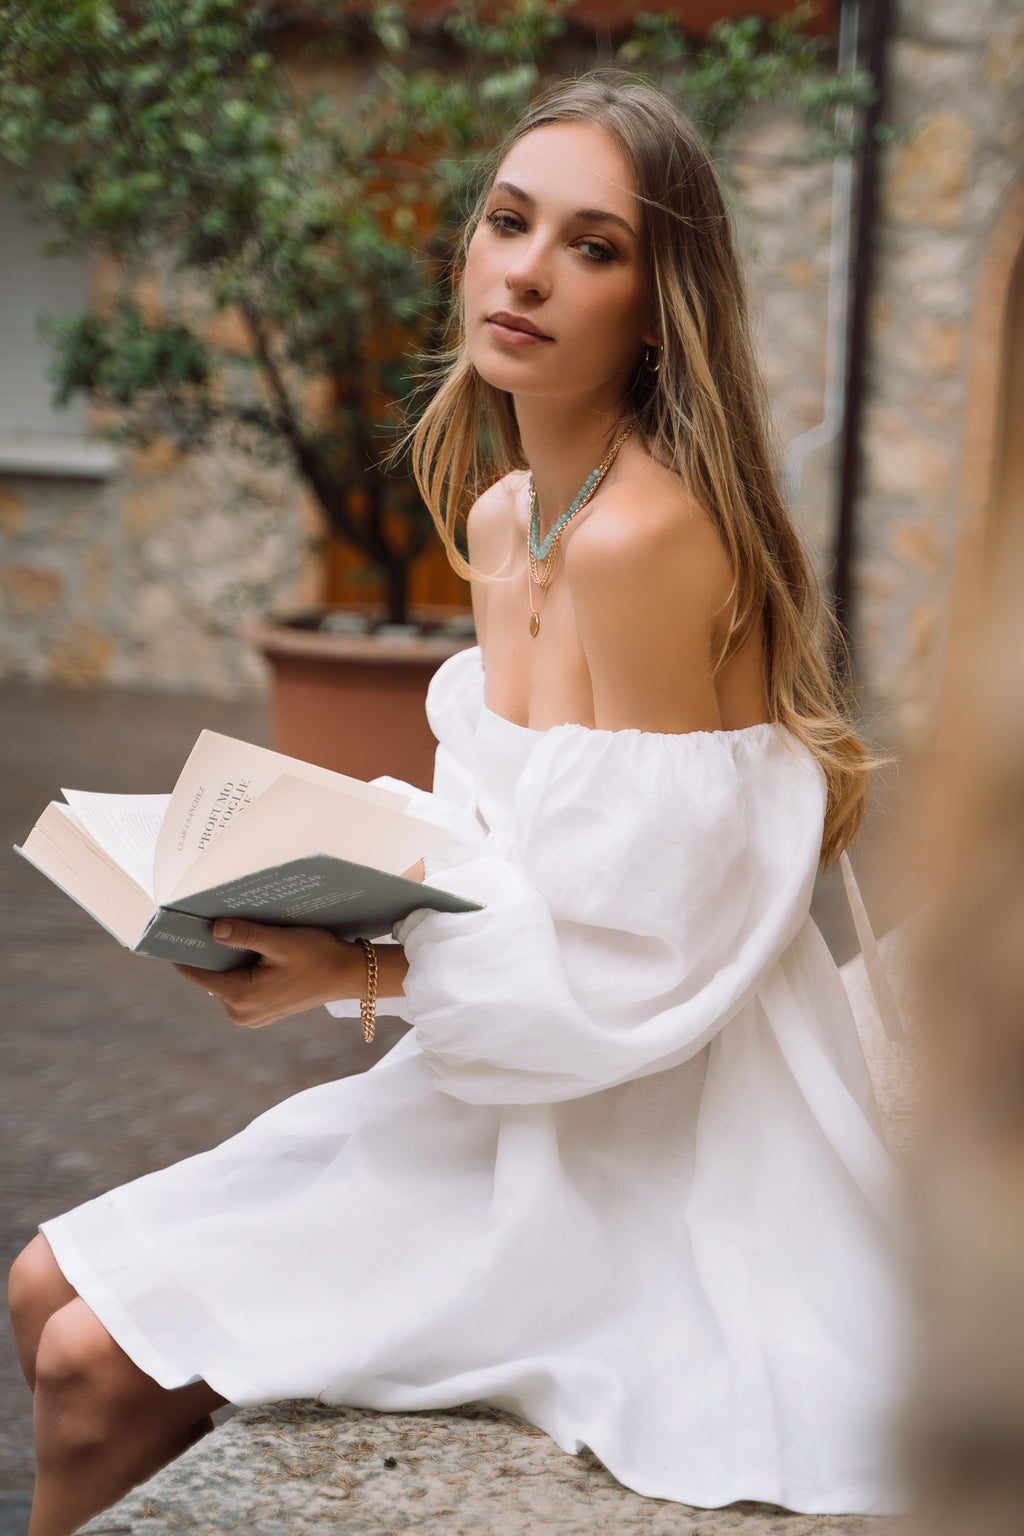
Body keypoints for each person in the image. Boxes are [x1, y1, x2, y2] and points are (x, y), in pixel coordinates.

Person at [8, 72, 905, 1536]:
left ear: (660, 303)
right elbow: (518, 848)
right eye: (508, 221)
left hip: (652, 1154)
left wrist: (364, 966)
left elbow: (659, 956)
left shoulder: (648, 535)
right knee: (44, 1280)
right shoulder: (506, 519)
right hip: (511, 1091)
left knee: (91, 1366)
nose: (529, 271)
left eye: (595, 247)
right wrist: (300, 872)